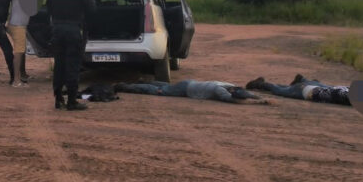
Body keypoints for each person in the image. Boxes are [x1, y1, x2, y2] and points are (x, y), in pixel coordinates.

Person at [47, 0, 95, 110]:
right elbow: (91, 9)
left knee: (59, 64)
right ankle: (72, 101)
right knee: (73, 65)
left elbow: (48, 6)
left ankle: (58, 98)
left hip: (57, 29)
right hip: (73, 30)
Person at [7, 0, 43, 87]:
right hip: (18, 25)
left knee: (20, 51)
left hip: (14, 23)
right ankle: (16, 80)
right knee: (18, 51)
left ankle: (21, 75)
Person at [115, 79, 268, 104]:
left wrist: (256, 96)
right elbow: (231, 99)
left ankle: (144, 81)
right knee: (160, 91)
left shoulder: (226, 84)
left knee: (167, 86)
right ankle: (127, 87)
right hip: (186, 89)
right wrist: (256, 101)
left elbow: (239, 91)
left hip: (190, 82)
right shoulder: (219, 89)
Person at [246, 74, 351, 105]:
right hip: (306, 90)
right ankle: (260, 84)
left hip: (315, 86)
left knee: (288, 88)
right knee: (278, 91)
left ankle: (303, 80)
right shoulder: (345, 95)